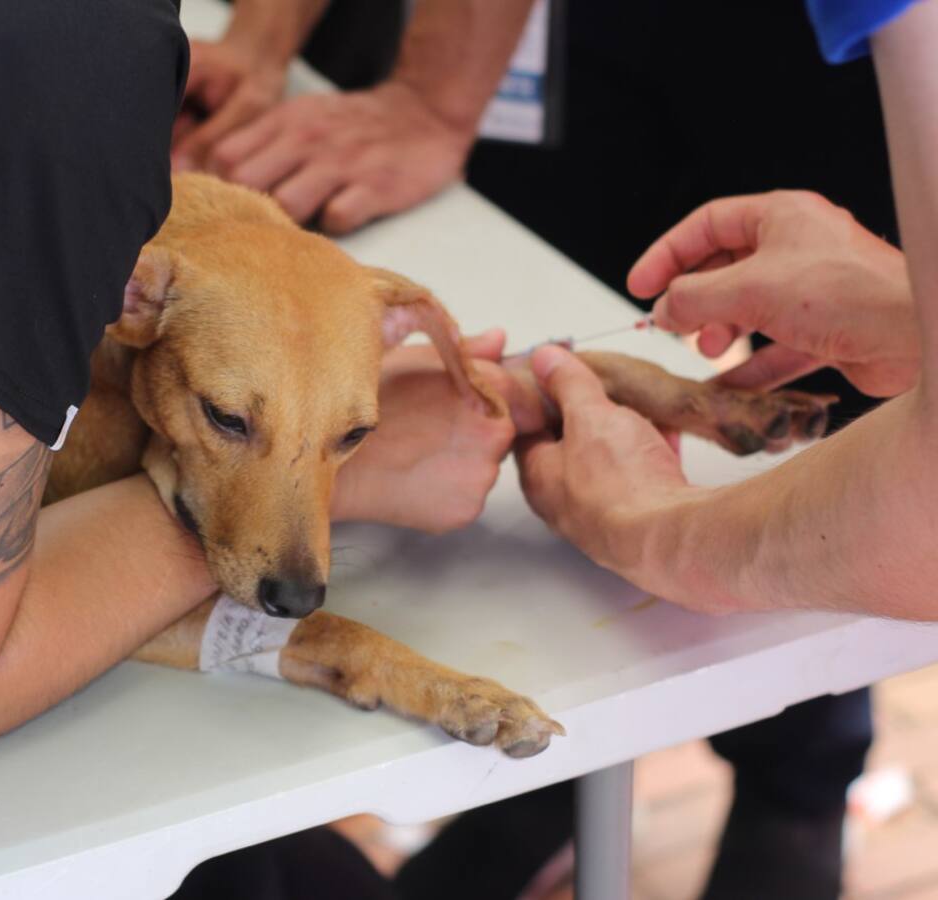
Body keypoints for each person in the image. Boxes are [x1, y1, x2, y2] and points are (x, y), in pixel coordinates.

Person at [172, 0, 925, 897]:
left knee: (828, 466)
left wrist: (661, 532)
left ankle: (797, 795)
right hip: (596, 50)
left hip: (819, 89)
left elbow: (916, 507)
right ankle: (542, 802)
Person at [0, 0, 516, 778]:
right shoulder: (79, 78)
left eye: (352, 437)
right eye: (228, 419)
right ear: (128, 302)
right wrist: (362, 482)